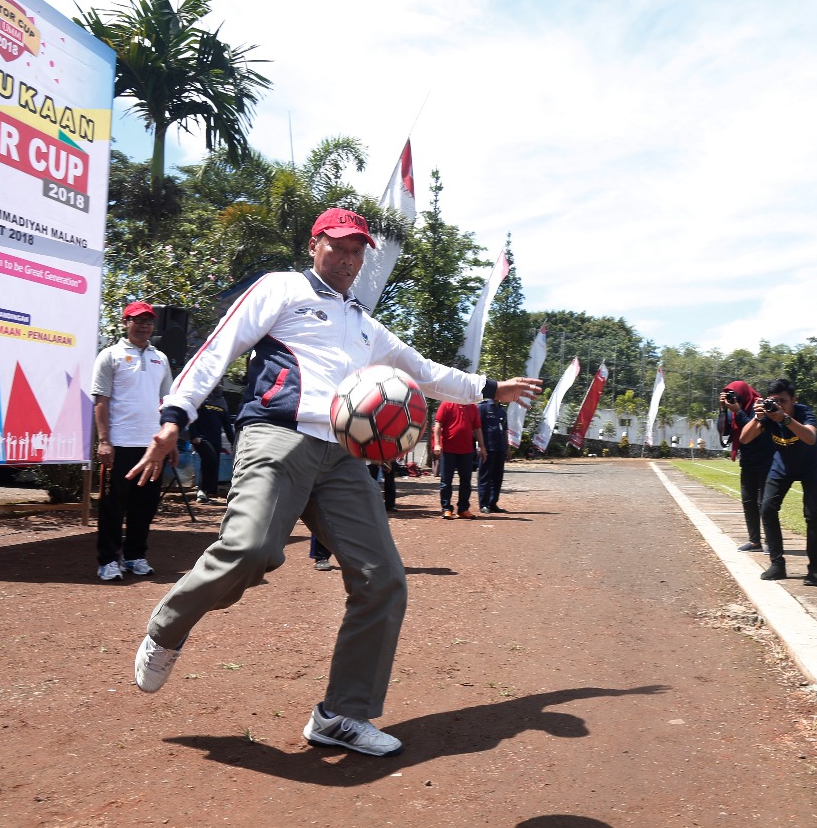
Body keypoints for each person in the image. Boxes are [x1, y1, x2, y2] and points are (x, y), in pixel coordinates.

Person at [125, 208, 541, 757]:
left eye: (357, 251)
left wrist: (490, 388)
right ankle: (168, 628)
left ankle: (341, 716)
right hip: (278, 436)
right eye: (338, 247)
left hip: (344, 457)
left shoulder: (365, 324)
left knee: (383, 579)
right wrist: (175, 415)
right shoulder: (283, 288)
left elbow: (426, 372)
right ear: (315, 243)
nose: (348, 259)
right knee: (251, 549)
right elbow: (218, 348)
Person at [91, 301, 175, 582]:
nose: (143, 326)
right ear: (125, 323)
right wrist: (104, 441)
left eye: (149, 321)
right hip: (120, 444)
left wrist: (170, 442)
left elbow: (167, 404)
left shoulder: (160, 358)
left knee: (145, 505)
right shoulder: (109, 355)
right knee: (112, 505)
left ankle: (135, 556)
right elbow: (101, 401)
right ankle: (108, 560)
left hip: (152, 447)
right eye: (137, 320)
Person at [741, 379, 817, 586]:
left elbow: (810, 437)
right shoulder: (768, 415)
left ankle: (814, 569)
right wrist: (757, 417)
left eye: (783, 401)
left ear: (793, 400)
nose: (778, 404)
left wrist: (785, 418)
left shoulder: (803, 412)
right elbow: (744, 438)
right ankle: (777, 564)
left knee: (811, 514)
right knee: (767, 508)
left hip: (810, 465)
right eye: (774, 400)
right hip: (783, 465)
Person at [717, 381, 773, 553]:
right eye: (729, 395)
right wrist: (723, 410)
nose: (733, 398)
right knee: (748, 502)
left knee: (764, 504)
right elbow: (724, 432)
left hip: (766, 461)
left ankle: (771, 541)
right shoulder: (734, 410)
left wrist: (737, 411)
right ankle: (755, 542)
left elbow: (753, 430)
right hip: (748, 462)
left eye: (734, 395)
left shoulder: (759, 405)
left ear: (743, 394)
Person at [433, 401, 486, 519]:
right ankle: (446, 508)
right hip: (448, 449)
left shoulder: (473, 407)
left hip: (467, 450)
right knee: (446, 481)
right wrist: (437, 444)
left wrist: (482, 446)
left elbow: (477, 428)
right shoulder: (446, 404)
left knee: (466, 481)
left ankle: (463, 509)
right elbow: (438, 425)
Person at [189, 387, 236, 504]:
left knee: (213, 463)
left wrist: (234, 442)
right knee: (210, 460)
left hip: (216, 440)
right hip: (201, 438)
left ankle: (206, 494)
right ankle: (202, 490)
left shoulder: (221, 402)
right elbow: (191, 418)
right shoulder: (200, 398)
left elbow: (227, 426)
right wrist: (193, 435)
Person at [477, 398, 509, 512]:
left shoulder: (502, 410)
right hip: (487, 447)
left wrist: (507, 446)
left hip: (500, 447)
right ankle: (484, 504)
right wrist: (481, 446)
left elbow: (504, 429)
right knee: (485, 476)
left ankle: (493, 502)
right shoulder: (482, 407)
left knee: (497, 477)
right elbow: (477, 427)